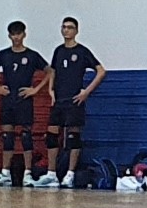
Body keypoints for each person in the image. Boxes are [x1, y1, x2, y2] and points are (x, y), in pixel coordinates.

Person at [38, 17, 105, 188]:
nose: (66, 30)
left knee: (73, 136)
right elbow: (53, 71)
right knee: (52, 135)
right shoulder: (59, 51)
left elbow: (101, 71)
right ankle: (51, 174)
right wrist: (51, 89)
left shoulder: (82, 51)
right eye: (64, 27)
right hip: (59, 100)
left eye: (70, 27)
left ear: (76, 31)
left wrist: (86, 92)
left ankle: (70, 174)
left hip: (74, 100)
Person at [0, 21, 46, 186]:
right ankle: (5, 173)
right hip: (8, 99)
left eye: (19, 34)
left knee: (26, 136)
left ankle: (27, 173)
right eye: (13, 34)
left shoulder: (32, 55)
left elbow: (50, 71)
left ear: (24, 35)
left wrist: (35, 89)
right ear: (9, 36)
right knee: (7, 136)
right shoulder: (3, 54)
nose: (16, 37)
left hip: (24, 100)